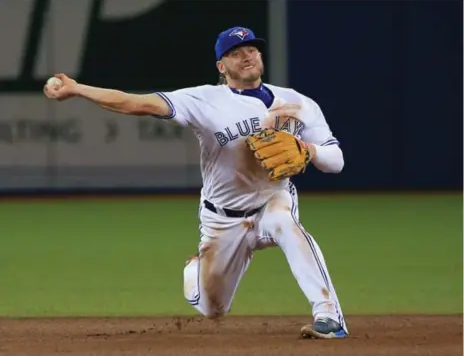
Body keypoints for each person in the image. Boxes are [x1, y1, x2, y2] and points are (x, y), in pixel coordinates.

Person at [43, 26, 348, 339]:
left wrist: (309, 151)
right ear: (221, 66)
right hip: (222, 218)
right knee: (212, 308)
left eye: (252, 49)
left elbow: (336, 160)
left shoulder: (299, 103)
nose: (247, 56)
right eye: (235, 52)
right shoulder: (203, 100)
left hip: (273, 198)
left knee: (286, 223)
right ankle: (195, 270)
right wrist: (78, 89)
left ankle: (328, 315)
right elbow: (134, 103)